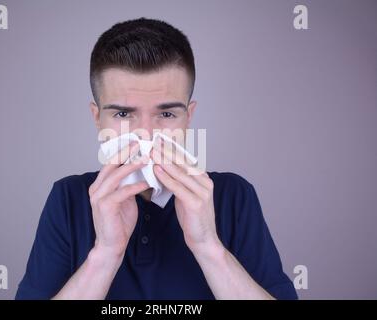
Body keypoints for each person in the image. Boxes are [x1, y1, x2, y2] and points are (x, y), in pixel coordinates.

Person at [15, 17, 297, 300]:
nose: (146, 134)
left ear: (188, 117)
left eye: (166, 114)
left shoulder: (234, 196)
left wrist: (208, 245)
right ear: (97, 118)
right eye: (123, 114)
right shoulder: (69, 199)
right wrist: (105, 254)